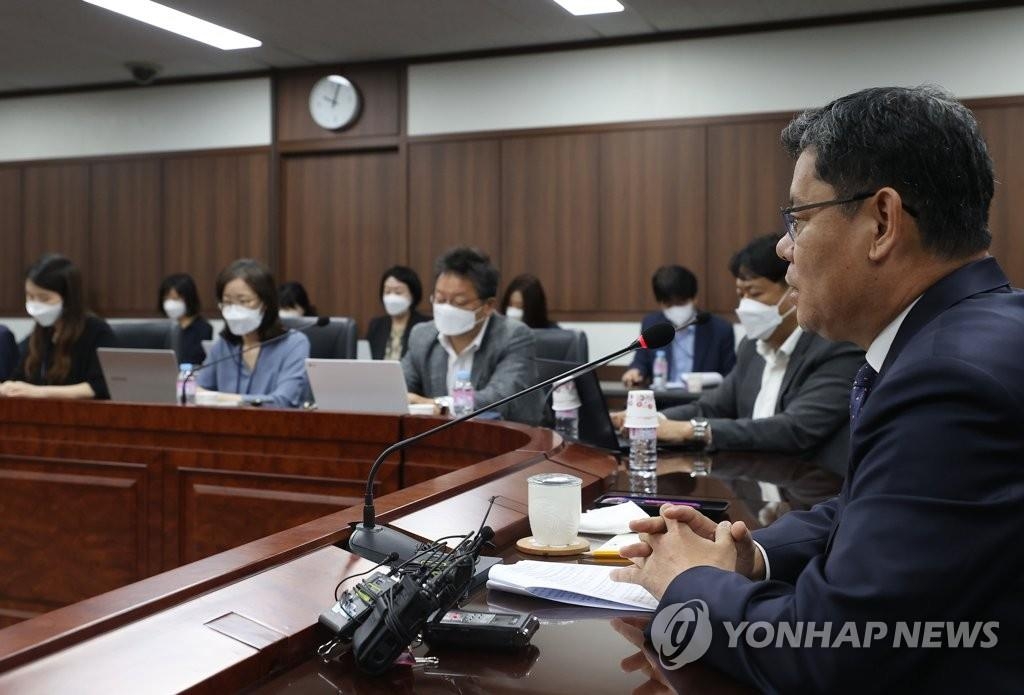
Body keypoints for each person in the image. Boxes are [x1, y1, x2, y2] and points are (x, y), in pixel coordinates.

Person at [612, 86, 1024, 691]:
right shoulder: (971, 332)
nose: (785, 247)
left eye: (799, 219)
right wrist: (750, 554)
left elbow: (832, 651)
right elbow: (872, 510)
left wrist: (689, 582)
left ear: (882, 222)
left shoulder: (947, 380)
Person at [612, 235, 863, 476]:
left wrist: (692, 430)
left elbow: (794, 429)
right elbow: (711, 406)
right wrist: (652, 418)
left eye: (754, 293)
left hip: (811, 490)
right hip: (753, 482)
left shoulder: (836, 349)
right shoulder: (751, 348)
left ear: (793, 290)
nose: (745, 305)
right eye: (741, 294)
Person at [402, 247, 542, 425]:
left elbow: (500, 399)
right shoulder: (422, 336)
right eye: (440, 299)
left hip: (507, 436)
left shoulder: (514, 336)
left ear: (488, 306)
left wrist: (439, 406)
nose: (447, 308)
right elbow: (400, 389)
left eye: (459, 302)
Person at [197, 259, 309, 408]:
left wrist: (220, 398)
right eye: (227, 302)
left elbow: (282, 402)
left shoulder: (294, 343)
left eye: (243, 301)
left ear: (265, 303)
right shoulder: (224, 345)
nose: (234, 310)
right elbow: (197, 391)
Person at [0, 254, 114, 399]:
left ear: (67, 299)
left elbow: (100, 386)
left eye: (44, 298)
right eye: (30, 296)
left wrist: (40, 392)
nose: (35, 304)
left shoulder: (96, 331)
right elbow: (18, 377)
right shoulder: (41, 332)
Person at [621, 265, 735, 387]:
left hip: (703, 397)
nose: (675, 308)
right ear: (660, 303)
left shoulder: (720, 329)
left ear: (694, 298)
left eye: (680, 303)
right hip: (662, 397)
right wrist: (635, 371)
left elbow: (730, 375)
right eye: (669, 304)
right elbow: (641, 360)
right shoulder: (652, 324)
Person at [365, 265, 430, 360]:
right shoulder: (376, 325)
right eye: (387, 292)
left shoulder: (425, 326)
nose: (392, 297)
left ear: (413, 294)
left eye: (398, 292)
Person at [158, 273, 212, 366]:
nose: (170, 303)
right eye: (167, 298)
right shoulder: (164, 329)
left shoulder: (203, 328)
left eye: (175, 298)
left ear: (189, 299)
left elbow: (195, 360)